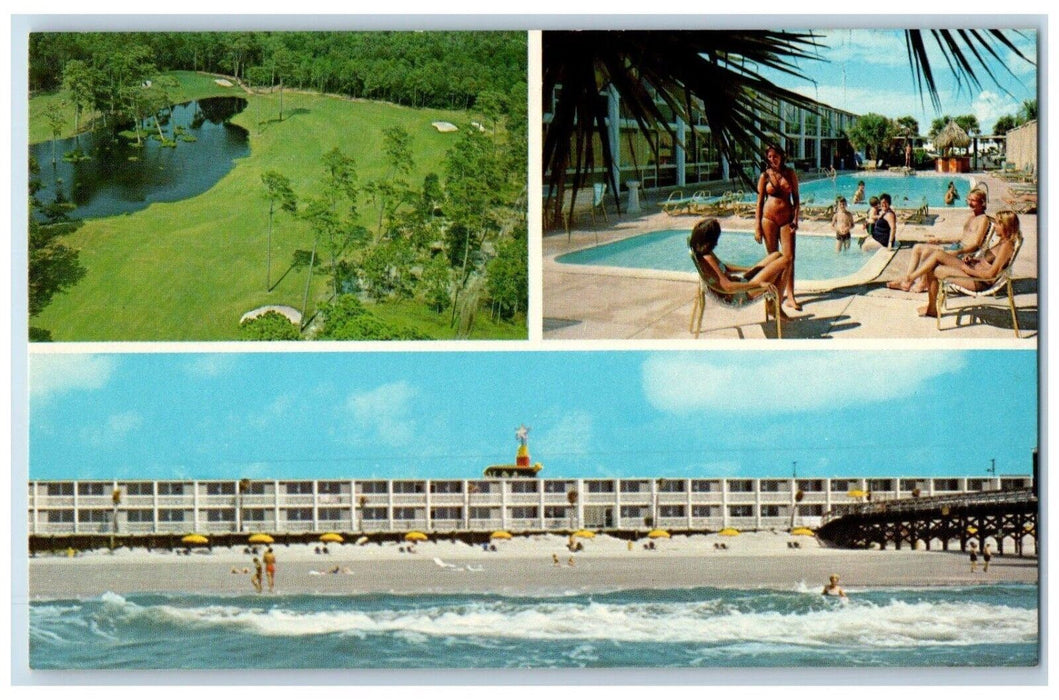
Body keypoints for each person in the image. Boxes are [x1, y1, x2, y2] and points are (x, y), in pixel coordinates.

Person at [900, 209, 1020, 318]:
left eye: (998, 224)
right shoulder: (1003, 241)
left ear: (1006, 226)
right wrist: (973, 260)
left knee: (934, 270)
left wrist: (969, 270)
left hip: (979, 281)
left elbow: (990, 275)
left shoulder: (1006, 246)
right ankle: (911, 278)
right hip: (974, 271)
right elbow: (988, 263)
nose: (995, 226)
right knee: (938, 254)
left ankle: (927, 302)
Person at [887, 189, 991, 292]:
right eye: (968, 199)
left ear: (982, 202)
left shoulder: (983, 219)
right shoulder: (971, 216)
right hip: (957, 247)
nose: (969, 203)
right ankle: (908, 281)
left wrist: (959, 251)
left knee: (927, 252)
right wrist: (941, 240)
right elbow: (963, 238)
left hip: (965, 254)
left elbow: (976, 244)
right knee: (917, 247)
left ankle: (923, 283)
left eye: (973, 200)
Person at [690, 218, 790, 317]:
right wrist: (758, 284)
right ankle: (774, 306)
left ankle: (771, 303)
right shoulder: (708, 259)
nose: (717, 242)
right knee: (785, 261)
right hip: (740, 294)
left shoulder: (705, 252)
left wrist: (748, 269)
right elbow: (727, 286)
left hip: (741, 284)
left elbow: (724, 267)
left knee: (776, 255)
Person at [754, 144, 802, 310]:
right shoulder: (765, 176)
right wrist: (757, 227)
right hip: (769, 220)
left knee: (789, 258)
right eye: (769, 157)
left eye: (775, 156)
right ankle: (774, 295)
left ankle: (790, 295)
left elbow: (796, 199)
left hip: (786, 220)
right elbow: (759, 203)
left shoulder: (790, 174)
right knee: (773, 260)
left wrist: (796, 219)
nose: (772, 159)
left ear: (782, 156)